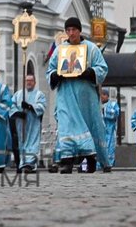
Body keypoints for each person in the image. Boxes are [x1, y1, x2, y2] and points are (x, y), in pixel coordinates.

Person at [46, 16, 109, 173]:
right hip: (66, 95)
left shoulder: (91, 48)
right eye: (68, 30)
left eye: (74, 29)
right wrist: (56, 75)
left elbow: (102, 68)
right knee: (66, 125)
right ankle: (66, 161)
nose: (71, 33)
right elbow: (50, 69)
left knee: (88, 125)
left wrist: (89, 72)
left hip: (85, 97)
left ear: (79, 30)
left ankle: (90, 160)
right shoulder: (60, 50)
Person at [10, 74, 46, 173]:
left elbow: (42, 106)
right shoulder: (18, 94)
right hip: (21, 124)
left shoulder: (39, 94)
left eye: (31, 80)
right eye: (27, 80)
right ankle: (23, 163)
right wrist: (18, 112)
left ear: (34, 82)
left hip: (33, 123)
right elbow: (11, 105)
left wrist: (30, 107)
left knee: (32, 143)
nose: (28, 82)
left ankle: (30, 164)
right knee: (22, 144)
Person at [101, 89, 120, 168]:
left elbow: (116, 113)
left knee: (110, 148)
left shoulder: (113, 104)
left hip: (110, 131)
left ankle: (109, 164)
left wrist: (104, 111)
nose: (102, 97)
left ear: (107, 96)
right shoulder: (97, 104)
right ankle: (99, 164)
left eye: (103, 95)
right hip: (100, 131)